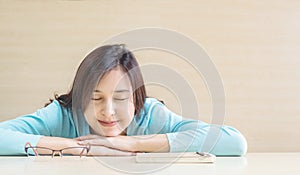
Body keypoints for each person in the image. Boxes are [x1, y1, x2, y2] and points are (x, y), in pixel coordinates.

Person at [0, 44, 247, 156]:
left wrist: (132, 144)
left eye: (120, 98)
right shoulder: (63, 114)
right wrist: (74, 147)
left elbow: (234, 142)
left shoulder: (150, 115)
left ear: (136, 97)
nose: (108, 112)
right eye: (95, 98)